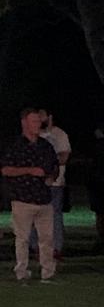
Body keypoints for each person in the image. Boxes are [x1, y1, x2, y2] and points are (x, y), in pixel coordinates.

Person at [0, 107, 59, 282]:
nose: (37, 125)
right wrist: (30, 170)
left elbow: (54, 166)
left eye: (39, 121)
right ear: (24, 123)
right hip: (22, 199)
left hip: (43, 198)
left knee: (47, 238)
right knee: (23, 238)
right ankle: (22, 271)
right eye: (34, 121)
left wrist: (51, 176)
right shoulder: (15, 146)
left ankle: (47, 272)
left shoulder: (45, 145)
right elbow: (6, 170)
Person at [37, 108, 71, 258]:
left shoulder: (60, 134)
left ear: (49, 117)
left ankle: (56, 247)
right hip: (36, 184)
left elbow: (64, 157)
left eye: (42, 115)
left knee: (55, 215)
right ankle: (36, 247)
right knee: (36, 214)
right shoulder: (35, 134)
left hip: (55, 184)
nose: (39, 118)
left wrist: (49, 162)